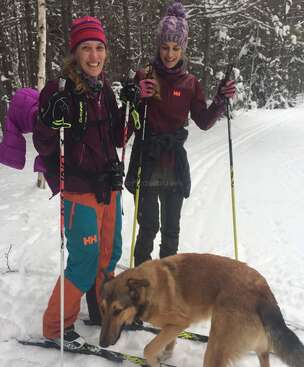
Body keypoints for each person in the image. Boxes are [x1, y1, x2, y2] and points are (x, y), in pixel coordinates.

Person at [33, 16, 125, 350]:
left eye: (99, 48)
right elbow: (44, 143)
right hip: (78, 188)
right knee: (84, 259)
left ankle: (103, 311)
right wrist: (47, 119)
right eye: (86, 48)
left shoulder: (105, 90)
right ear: (75, 52)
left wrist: (133, 109)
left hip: (109, 185)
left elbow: (118, 136)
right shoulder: (58, 90)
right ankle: (55, 327)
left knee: (109, 253)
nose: (94, 55)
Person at [121, 0, 236, 266]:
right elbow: (127, 126)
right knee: (148, 228)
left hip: (173, 161)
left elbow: (204, 121)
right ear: (158, 47)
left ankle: (167, 286)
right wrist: (135, 96)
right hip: (147, 160)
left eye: (175, 48)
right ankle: (141, 279)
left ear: (183, 47)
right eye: (165, 47)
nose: (170, 54)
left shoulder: (190, 83)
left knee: (171, 231)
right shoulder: (144, 75)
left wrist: (221, 99)